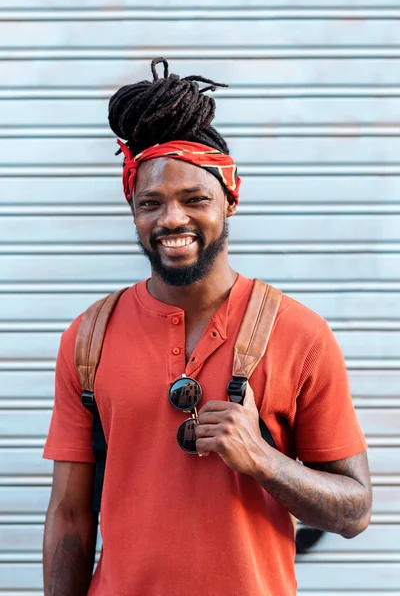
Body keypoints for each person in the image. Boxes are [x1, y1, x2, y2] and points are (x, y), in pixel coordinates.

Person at [42, 58, 372, 596]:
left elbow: (355, 510)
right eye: (151, 202)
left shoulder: (300, 334)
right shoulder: (88, 337)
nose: (172, 219)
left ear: (231, 198)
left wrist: (263, 460)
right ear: (133, 210)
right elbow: (70, 517)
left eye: (195, 199)